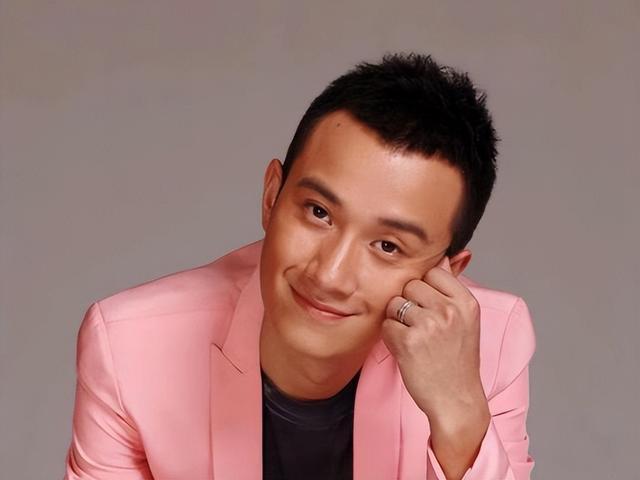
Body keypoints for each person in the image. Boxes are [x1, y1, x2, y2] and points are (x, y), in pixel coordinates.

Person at [64, 53, 536, 480]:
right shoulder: (130, 349)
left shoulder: (491, 345)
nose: (329, 275)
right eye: (318, 212)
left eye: (388, 246)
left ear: (448, 274)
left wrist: (459, 413)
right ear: (272, 196)